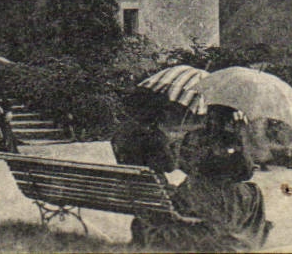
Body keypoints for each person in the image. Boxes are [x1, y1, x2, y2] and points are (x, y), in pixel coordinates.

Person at [153, 106, 271, 251]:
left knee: (247, 191)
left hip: (192, 192)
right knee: (254, 191)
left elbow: (184, 165)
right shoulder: (232, 138)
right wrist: (241, 140)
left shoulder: (193, 136)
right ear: (230, 119)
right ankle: (247, 236)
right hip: (222, 196)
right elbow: (245, 174)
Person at [111, 89, 178, 245]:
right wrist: (171, 149)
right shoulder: (156, 136)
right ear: (158, 112)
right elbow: (170, 166)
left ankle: (143, 236)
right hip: (155, 192)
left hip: (129, 190)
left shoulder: (121, 132)